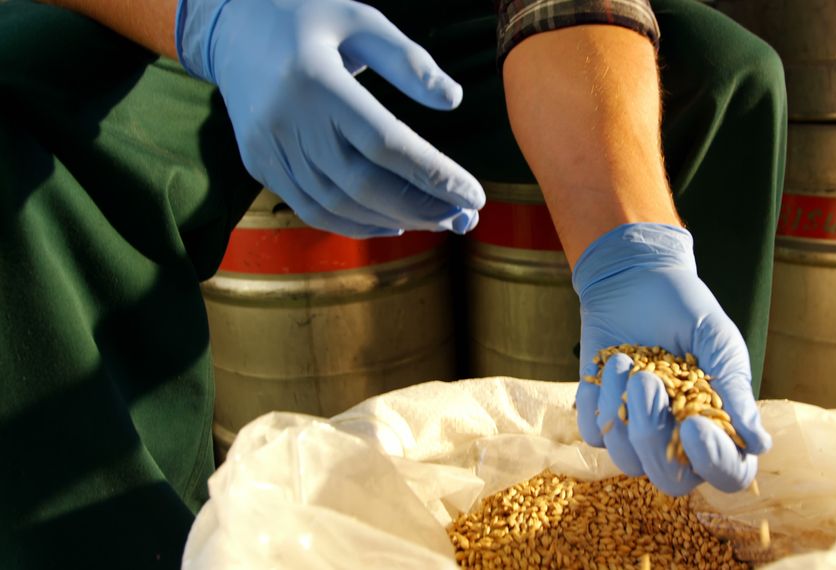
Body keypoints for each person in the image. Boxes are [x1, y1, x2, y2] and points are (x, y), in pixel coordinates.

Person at [0, 0, 786, 566]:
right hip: (201, 30)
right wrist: (210, 17)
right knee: (13, 114)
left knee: (721, 69)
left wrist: (630, 239)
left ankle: (688, 509)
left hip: (459, 19)